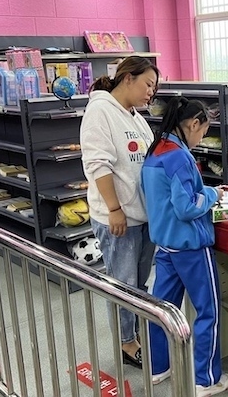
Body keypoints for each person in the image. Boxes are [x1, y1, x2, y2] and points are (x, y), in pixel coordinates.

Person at [141, 97, 228, 396]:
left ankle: (158, 366)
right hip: (191, 247)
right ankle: (206, 379)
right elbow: (187, 207)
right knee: (208, 312)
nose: (201, 138)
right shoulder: (180, 157)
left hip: (165, 245)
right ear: (193, 124)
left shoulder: (156, 150)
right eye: (203, 131)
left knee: (162, 310)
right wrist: (213, 194)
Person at [80, 56, 159, 369]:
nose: (151, 92)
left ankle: (135, 332)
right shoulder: (100, 111)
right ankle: (127, 343)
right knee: (123, 284)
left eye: (154, 87)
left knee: (138, 284)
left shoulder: (135, 116)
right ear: (128, 78)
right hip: (119, 218)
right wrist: (114, 208)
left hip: (143, 217)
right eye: (148, 84)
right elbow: (98, 164)